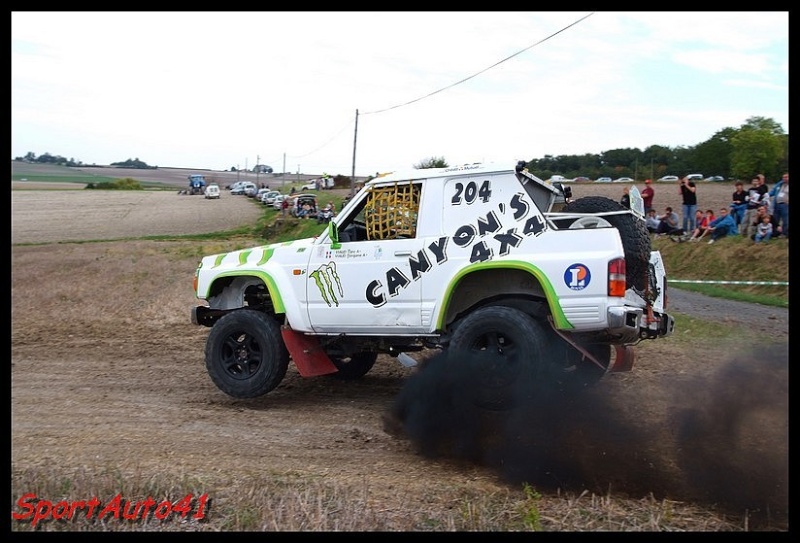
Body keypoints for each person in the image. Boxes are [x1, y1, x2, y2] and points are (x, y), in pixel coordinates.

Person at [768, 172, 788, 238]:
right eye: (783, 177)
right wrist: (767, 195)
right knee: (775, 219)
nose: (784, 178)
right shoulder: (780, 184)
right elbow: (773, 191)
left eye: (786, 177)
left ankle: (785, 233)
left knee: (785, 220)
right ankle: (775, 233)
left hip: (785, 205)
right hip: (776, 204)